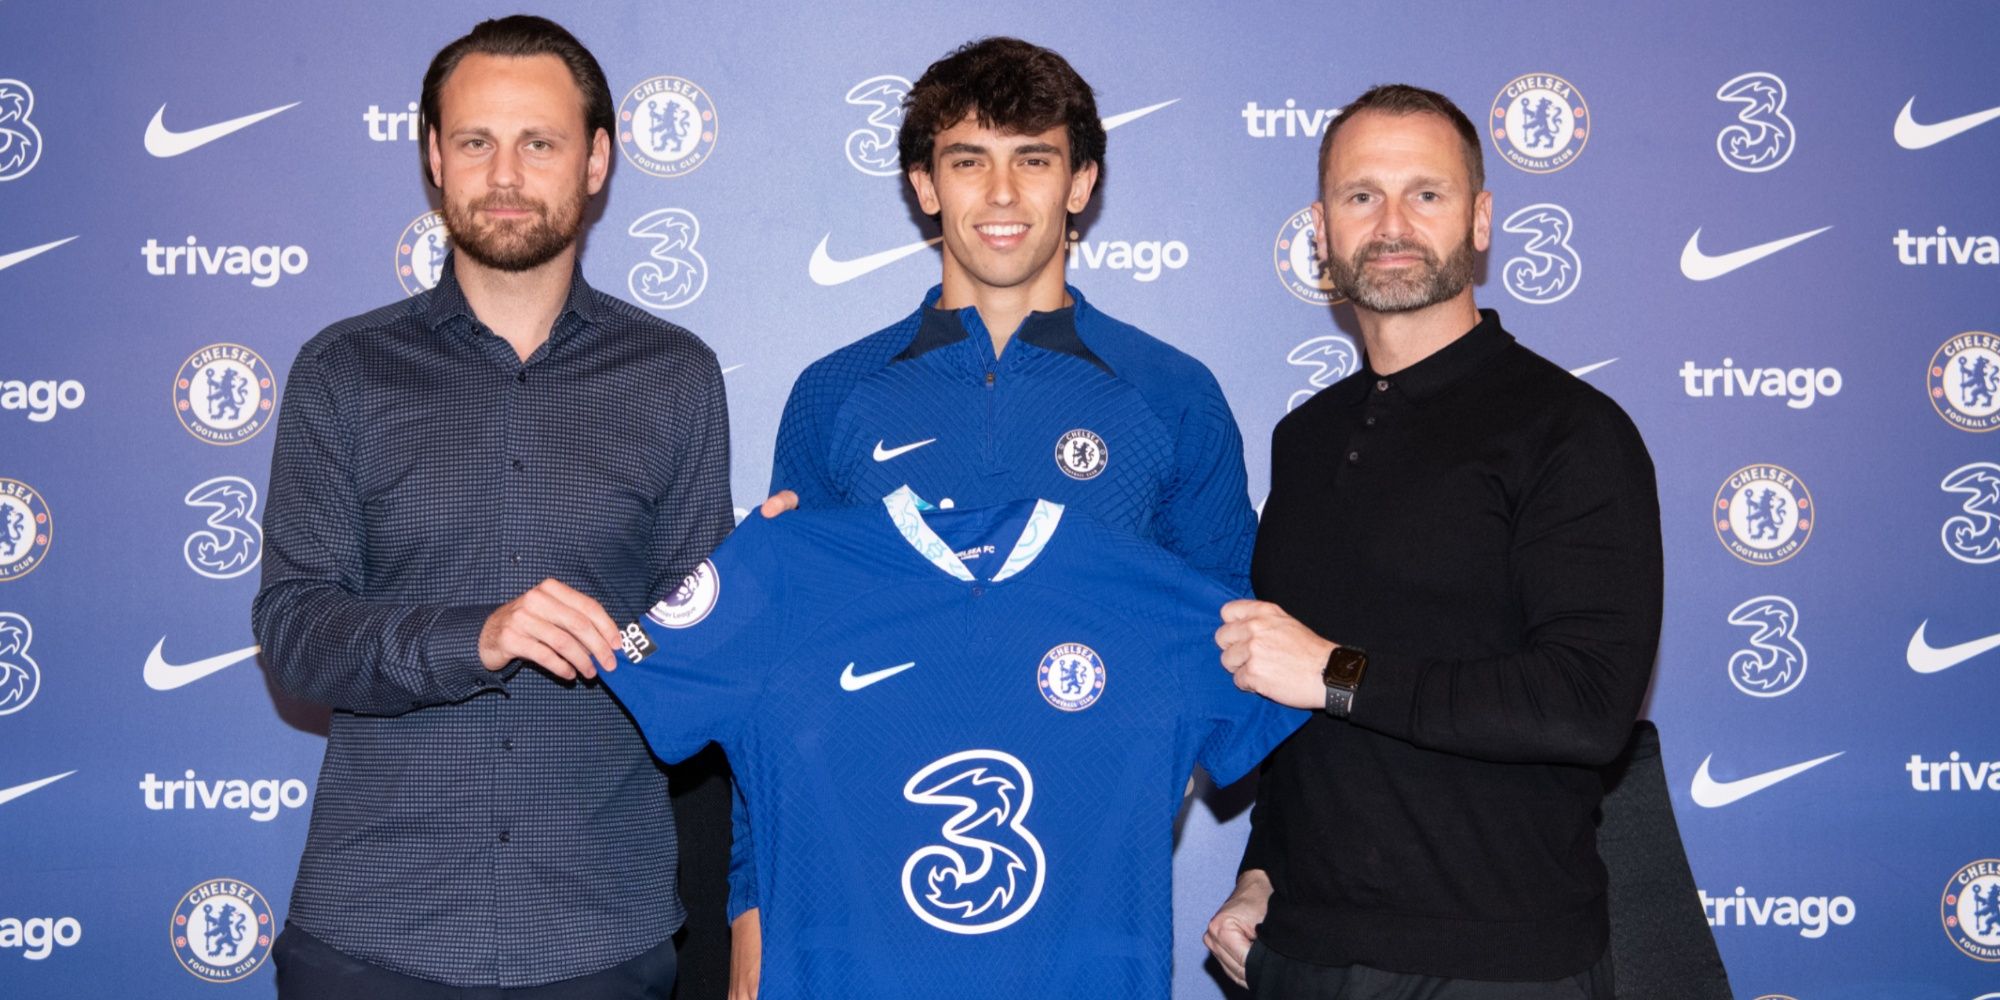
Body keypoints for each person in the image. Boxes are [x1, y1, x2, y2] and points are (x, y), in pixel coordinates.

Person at [732, 36, 1259, 997]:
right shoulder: (835, 395)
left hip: (1088, 926)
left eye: (1036, 159)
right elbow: (774, 674)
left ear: (1083, 181)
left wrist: (1119, 774)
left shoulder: (1171, 396)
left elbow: (1239, 656)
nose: (1004, 195)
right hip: (856, 916)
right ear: (924, 186)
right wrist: (752, 913)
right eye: (970, 161)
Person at [253, 15, 731, 998]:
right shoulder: (343, 372)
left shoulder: (674, 377)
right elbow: (296, 630)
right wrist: (481, 634)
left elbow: (694, 662)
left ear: (596, 160)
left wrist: (762, 590)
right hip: (373, 936)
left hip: (603, 935)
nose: (505, 174)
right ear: (433, 157)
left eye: (539, 142)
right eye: (476, 141)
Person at [1204, 84, 1662, 999]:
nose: (1393, 222)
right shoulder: (1306, 439)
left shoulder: (1570, 430)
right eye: (1361, 195)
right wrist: (1263, 870)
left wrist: (1336, 670)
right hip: (1302, 954)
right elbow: (1295, 703)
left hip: (1497, 967)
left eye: (1428, 193)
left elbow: (1585, 705)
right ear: (1321, 229)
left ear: (1481, 220)